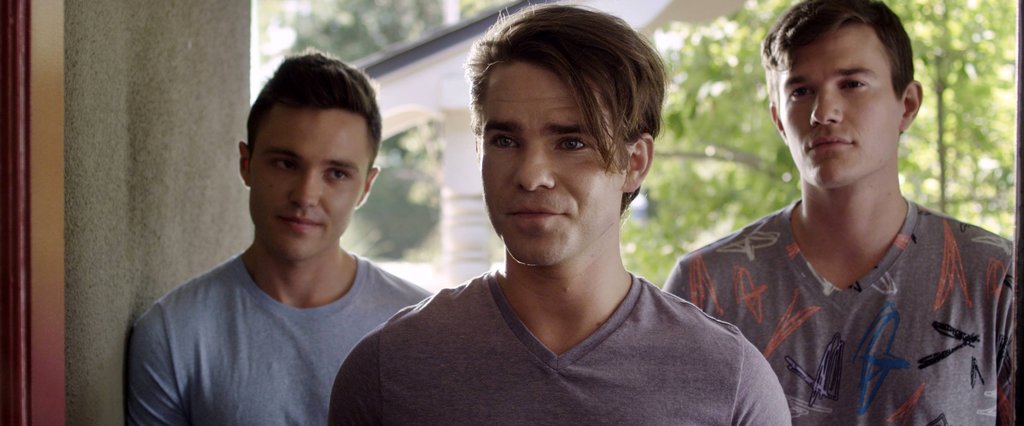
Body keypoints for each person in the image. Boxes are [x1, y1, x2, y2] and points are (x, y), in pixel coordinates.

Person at [328, 5, 790, 425]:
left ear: (634, 163)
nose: (531, 175)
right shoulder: (389, 370)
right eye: (505, 141)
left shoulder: (729, 381)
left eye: (571, 143)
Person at [663, 0, 1014, 424]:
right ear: (778, 120)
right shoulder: (705, 288)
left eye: (852, 84)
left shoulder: (995, 276)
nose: (823, 112)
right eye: (800, 91)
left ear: (907, 105)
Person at [126, 51, 431, 425]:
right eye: (286, 164)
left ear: (365, 187)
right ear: (246, 164)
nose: (305, 195)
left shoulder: (420, 330)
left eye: (336, 173)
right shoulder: (174, 333)